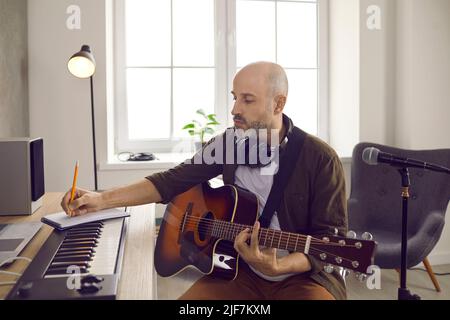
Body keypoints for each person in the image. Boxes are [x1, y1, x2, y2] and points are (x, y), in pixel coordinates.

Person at [61, 62, 348, 300]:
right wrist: (100, 199)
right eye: (234, 96)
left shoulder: (320, 158)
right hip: (237, 270)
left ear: (279, 103)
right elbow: (169, 182)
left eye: (247, 100)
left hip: (303, 279)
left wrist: (280, 266)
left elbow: (332, 243)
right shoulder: (227, 145)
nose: (235, 109)